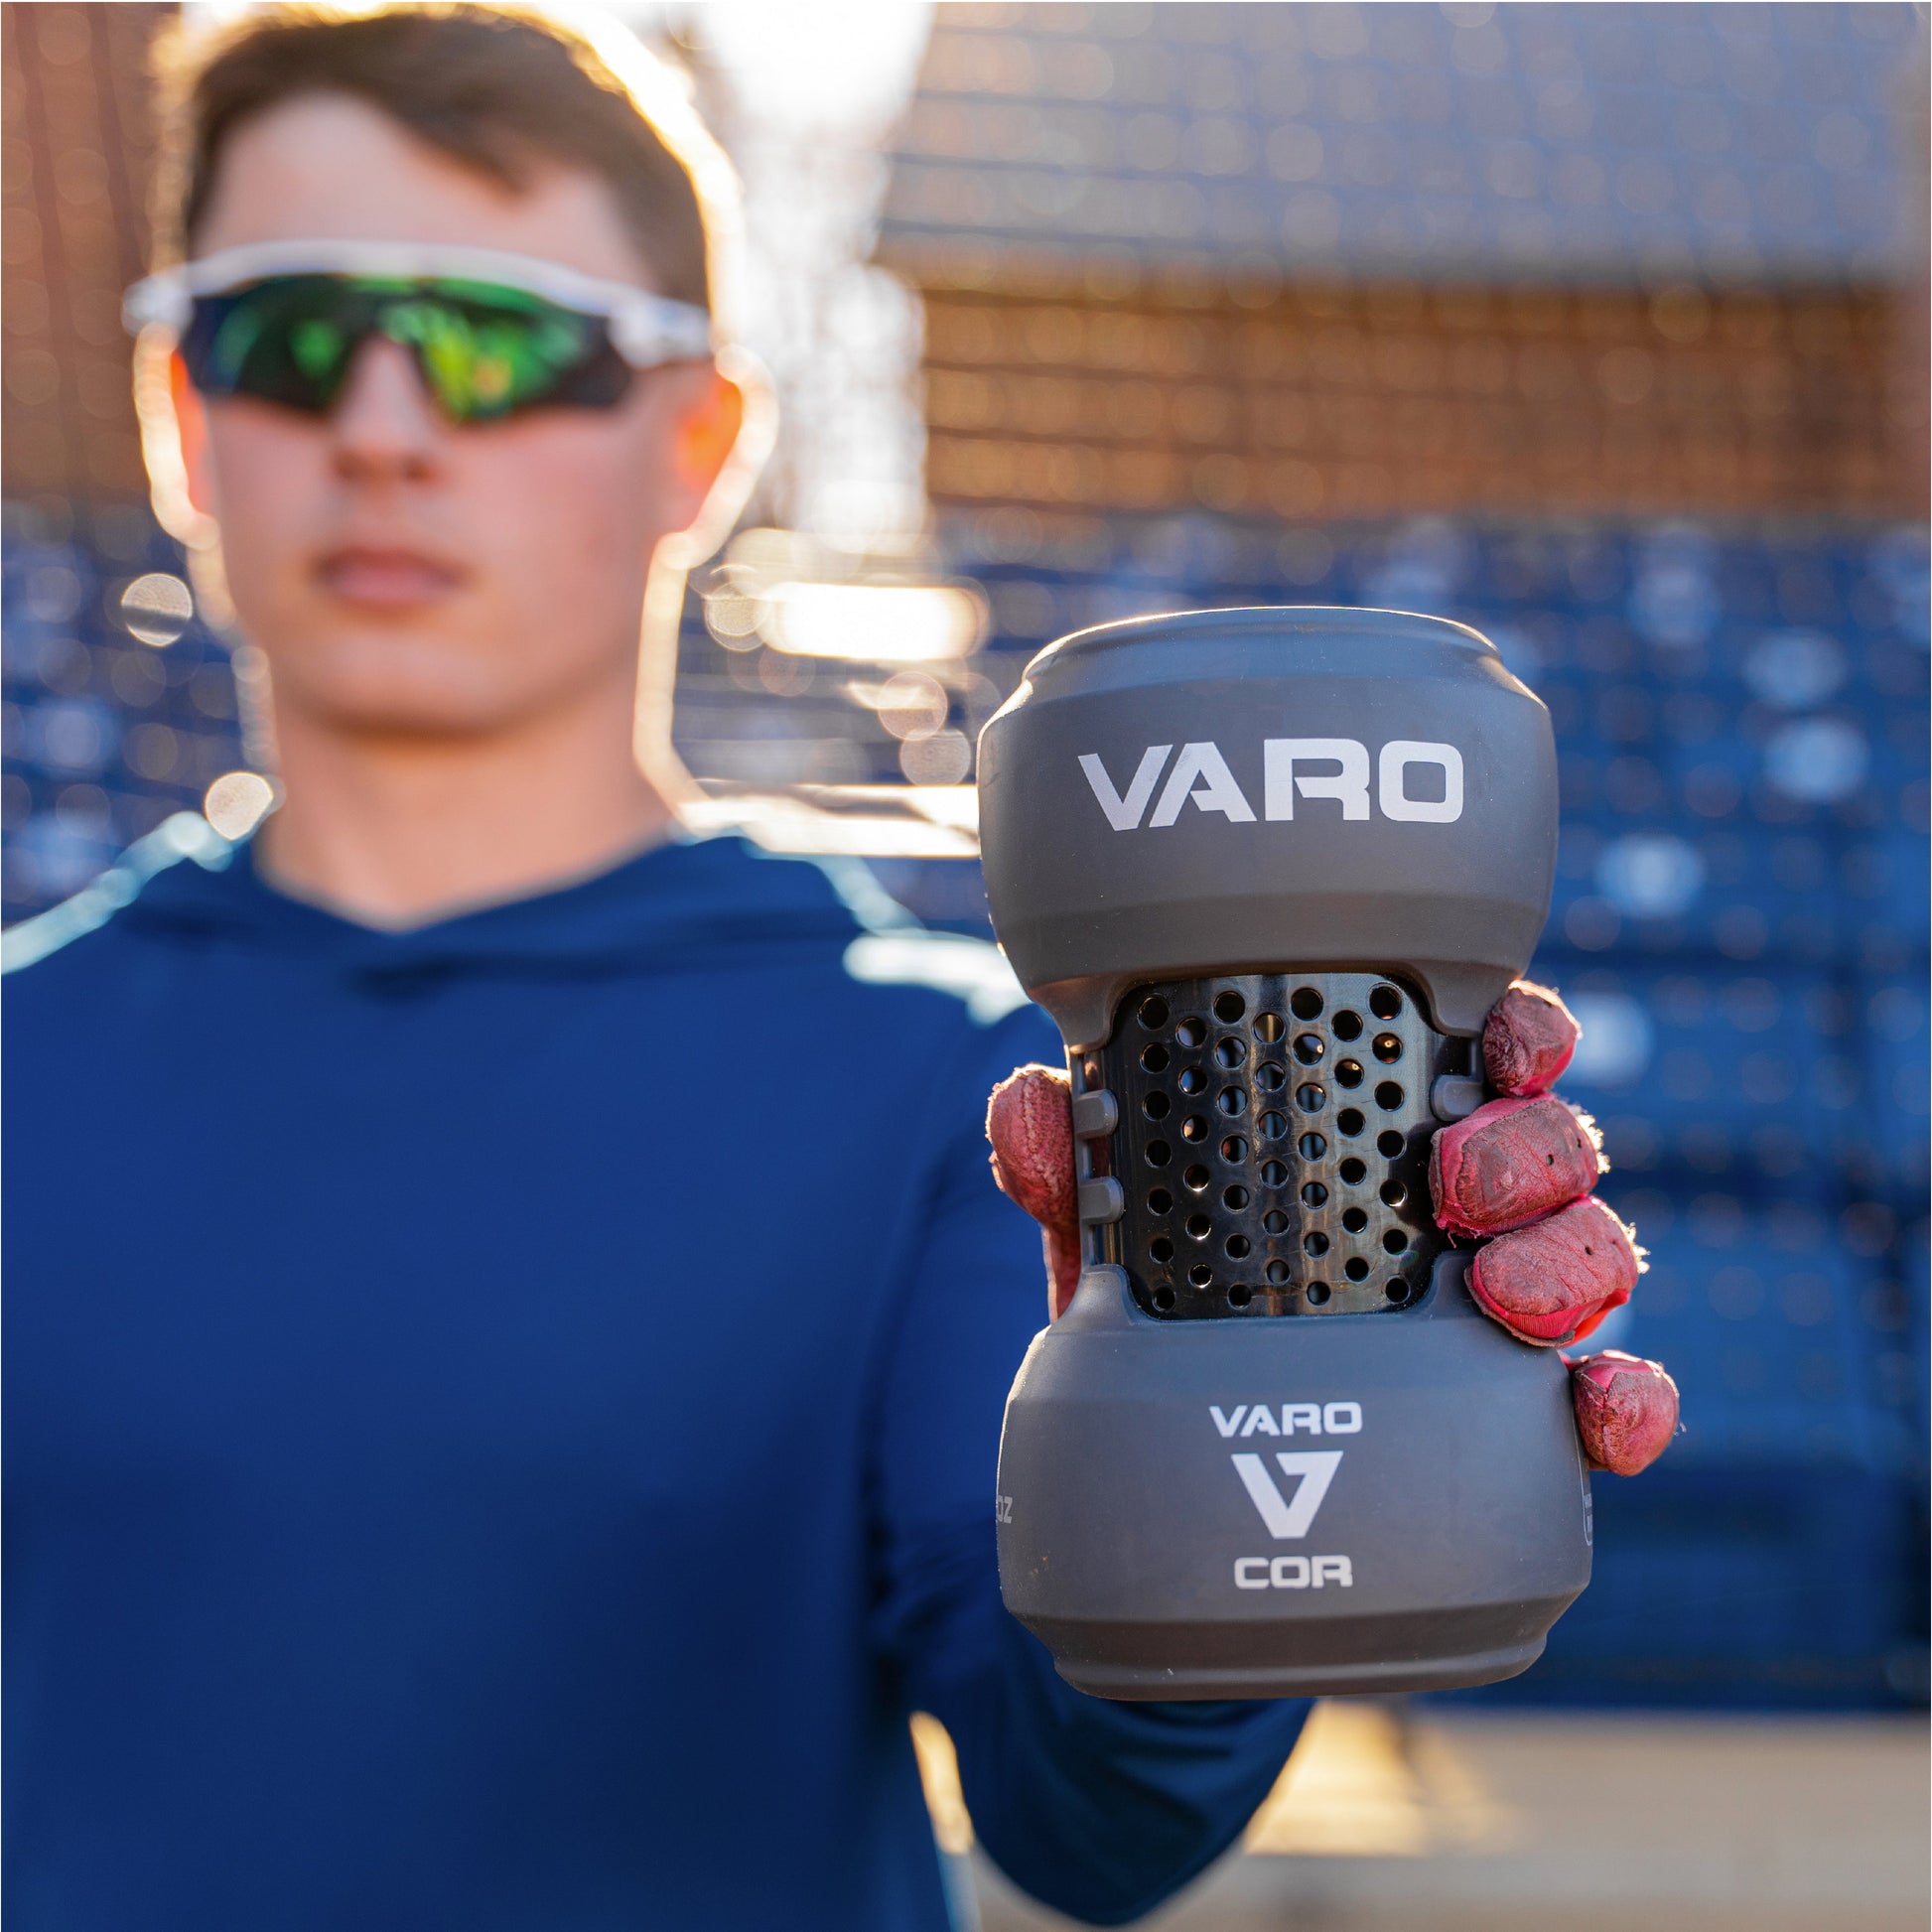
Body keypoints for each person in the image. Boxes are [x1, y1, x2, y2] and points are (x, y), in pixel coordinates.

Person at [1, 7, 1676, 1929]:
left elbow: (1097, 1822)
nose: (382, 430)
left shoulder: (951, 1107)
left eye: (500, 344)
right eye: (290, 337)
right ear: (176, 409)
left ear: (700, 434)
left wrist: (1257, 1414)